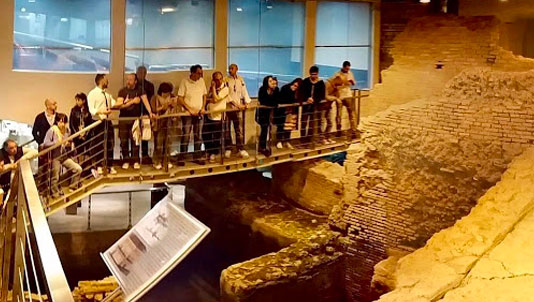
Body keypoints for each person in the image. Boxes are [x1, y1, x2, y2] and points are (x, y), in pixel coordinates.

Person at [117, 73, 154, 170]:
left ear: (135, 81)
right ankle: (125, 160)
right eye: (127, 79)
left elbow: (146, 102)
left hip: (135, 120)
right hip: (123, 120)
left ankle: (135, 160)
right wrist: (132, 101)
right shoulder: (122, 91)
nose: (128, 81)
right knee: (124, 141)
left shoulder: (140, 90)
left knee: (135, 141)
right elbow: (119, 105)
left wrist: (150, 112)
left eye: (130, 79)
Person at [42, 114, 82, 198]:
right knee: (55, 176)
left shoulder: (67, 130)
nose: (62, 124)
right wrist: (55, 143)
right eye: (60, 122)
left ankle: (73, 186)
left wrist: (68, 144)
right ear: (57, 122)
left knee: (77, 169)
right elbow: (45, 143)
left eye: (64, 122)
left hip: (64, 155)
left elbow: (69, 141)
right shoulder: (52, 130)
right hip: (55, 157)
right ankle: (55, 193)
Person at [87, 74, 120, 175]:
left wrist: (127, 102)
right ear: (101, 81)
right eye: (106, 80)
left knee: (110, 144)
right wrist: (101, 111)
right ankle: (98, 166)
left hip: (107, 121)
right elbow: (92, 110)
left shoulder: (107, 94)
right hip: (98, 122)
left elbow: (114, 104)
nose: (108, 81)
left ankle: (109, 165)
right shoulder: (92, 94)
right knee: (98, 145)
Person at [177, 65, 207, 165]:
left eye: (201, 73)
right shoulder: (184, 81)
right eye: (199, 73)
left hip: (199, 112)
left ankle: (197, 157)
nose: (200, 75)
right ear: (193, 73)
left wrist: (203, 107)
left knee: (198, 135)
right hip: (187, 114)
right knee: (186, 135)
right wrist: (189, 109)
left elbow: (204, 95)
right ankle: (182, 157)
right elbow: (180, 98)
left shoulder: (201, 81)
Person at [224, 64, 251, 159]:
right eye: (229, 68)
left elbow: (244, 91)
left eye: (232, 68)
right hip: (228, 108)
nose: (230, 70)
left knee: (238, 129)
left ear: (236, 69)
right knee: (227, 129)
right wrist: (234, 103)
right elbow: (225, 94)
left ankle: (240, 148)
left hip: (238, 108)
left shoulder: (240, 79)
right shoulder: (225, 80)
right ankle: (228, 148)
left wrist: (247, 102)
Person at [151, 82, 178, 170]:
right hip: (159, 123)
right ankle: (157, 161)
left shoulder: (172, 97)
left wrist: (173, 106)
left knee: (168, 142)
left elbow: (175, 109)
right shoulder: (155, 98)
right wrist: (164, 106)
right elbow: (154, 109)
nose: (167, 94)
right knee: (158, 143)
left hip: (169, 122)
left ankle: (166, 160)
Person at [204, 71, 229, 163]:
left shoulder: (225, 89)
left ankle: (214, 153)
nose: (218, 81)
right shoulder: (210, 88)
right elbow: (206, 98)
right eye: (216, 79)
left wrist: (213, 89)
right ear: (213, 80)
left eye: (220, 79)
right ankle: (209, 151)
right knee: (206, 135)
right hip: (209, 115)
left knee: (216, 136)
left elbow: (215, 99)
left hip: (218, 117)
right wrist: (212, 94)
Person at [299, 66, 326, 145]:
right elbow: (301, 92)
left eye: (315, 74)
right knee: (303, 123)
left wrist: (314, 100)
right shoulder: (305, 81)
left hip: (315, 106)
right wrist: (307, 99)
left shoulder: (321, 83)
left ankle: (309, 140)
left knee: (312, 124)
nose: (313, 76)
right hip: (306, 106)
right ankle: (302, 140)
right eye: (312, 74)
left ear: (317, 74)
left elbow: (322, 95)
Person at [333, 61, 358, 139]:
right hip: (340, 96)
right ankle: (338, 130)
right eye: (346, 69)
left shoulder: (350, 73)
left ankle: (353, 131)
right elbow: (334, 84)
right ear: (343, 67)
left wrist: (351, 81)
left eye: (348, 69)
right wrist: (343, 82)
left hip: (348, 95)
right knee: (339, 114)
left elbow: (354, 83)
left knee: (351, 113)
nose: (347, 70)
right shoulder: (337, 74)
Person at [69, 93, 94, 171]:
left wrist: (85, 134)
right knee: (78, 151)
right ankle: (80, 168)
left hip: (87, 135)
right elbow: (71, 124)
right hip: (77, 135)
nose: (77, 102)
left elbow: (90, 123)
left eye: (79, 100)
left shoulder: (88, 110)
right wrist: (77, 134)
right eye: (76, 100)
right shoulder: (73, 110)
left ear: (83, 100)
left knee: (88, 151)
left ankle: (88, 169)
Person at [275, 78, 302, 149]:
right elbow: (281, 98)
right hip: (282, 111)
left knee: (289, 127)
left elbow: (298, 100)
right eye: (295, 84)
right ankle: (279, 141)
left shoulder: (298, 92)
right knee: (280, 127)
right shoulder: (285, 88)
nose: (295, 86)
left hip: (292, 112)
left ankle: (287, 141)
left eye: (297, 86)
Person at [257, 76, 279, 157]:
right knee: (264, 129)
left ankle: (267, 147)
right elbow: (263, 101)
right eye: (270, 81)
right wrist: (270, 102)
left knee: (269, 129)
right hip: (262, 113)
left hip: (271, 113)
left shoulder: (276, 90)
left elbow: (275, 102)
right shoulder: (262, 89)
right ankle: (262, 147)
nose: (272, 82)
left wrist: (273, 92)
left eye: (272, 80)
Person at [136, 66, 155, 161]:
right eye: (139, 72)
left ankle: (145, 155)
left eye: (143, 73)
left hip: (146, 113)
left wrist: (150, 112)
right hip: (135, 112)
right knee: (134, 135)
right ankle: (134, 157)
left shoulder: (150, 86)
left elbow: (151, 100)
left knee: (145, 134)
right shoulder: (133, 84)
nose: (141, 74)